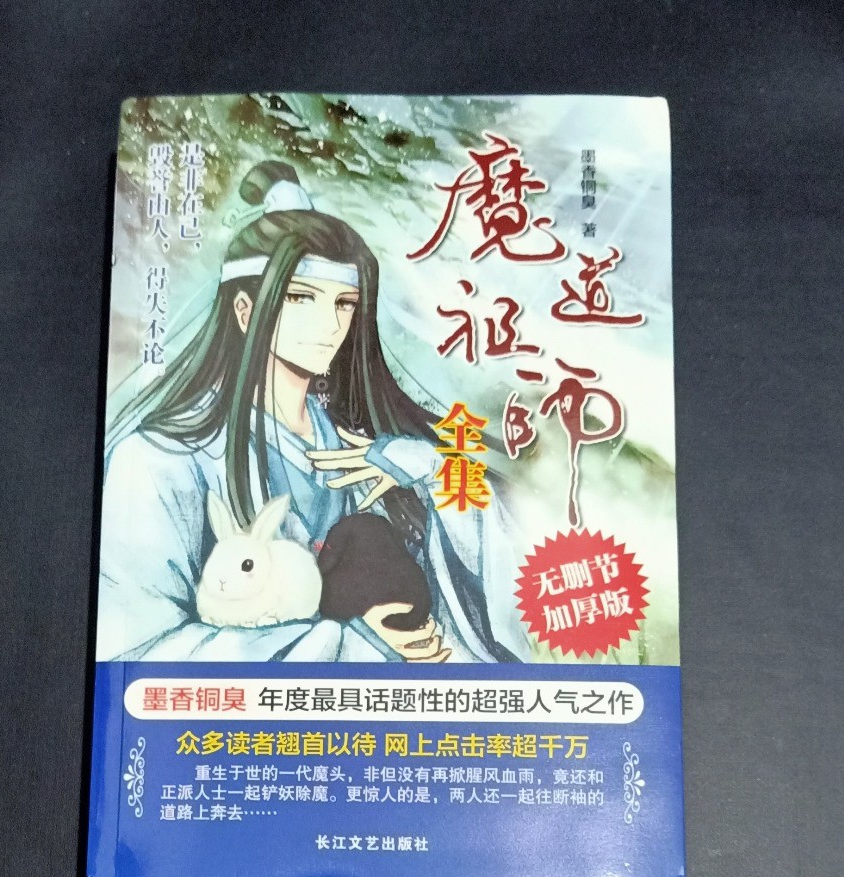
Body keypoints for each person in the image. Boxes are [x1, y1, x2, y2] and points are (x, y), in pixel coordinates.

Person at [97, 161, 529, 663]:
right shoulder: (161, 460)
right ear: (244, 311)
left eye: (345, 303)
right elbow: (135, 648)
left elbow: (490, 575)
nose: (329, 324)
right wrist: (348, 645)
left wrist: (430, 470)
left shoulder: (358, 445)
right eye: (301, 298)